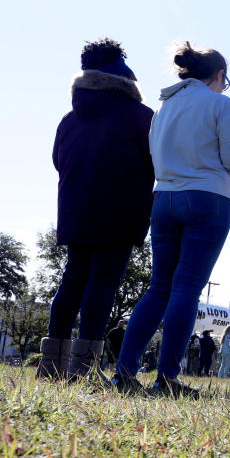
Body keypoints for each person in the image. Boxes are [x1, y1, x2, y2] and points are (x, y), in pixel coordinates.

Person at [112, 42, 230, 396]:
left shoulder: (163, 108)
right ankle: (167, 378)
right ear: (218, 76)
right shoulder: (221, 104)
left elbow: (155, 156)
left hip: (164, 198)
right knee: (187, 287)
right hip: (209, 198)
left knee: (159, 287)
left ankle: (124, 373)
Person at [37, 39, 154, 381]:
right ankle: (84, 368)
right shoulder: (141, 116)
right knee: (103, 281)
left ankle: (50, 364)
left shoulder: (69, 119)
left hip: (76, 210)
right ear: (125, 76)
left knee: (73, 277)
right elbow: (157, 162)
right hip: (121, 211)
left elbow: (58, 161)